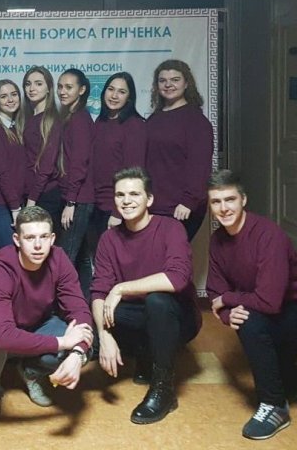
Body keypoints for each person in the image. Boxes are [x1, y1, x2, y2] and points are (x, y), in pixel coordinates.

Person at [206, 169, 297, 440]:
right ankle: (279, 391)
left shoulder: (268, 235)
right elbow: (215, 292)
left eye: (230, 199)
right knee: (282, 381)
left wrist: (229, 300)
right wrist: (227, 313)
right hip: (279, 309)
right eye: (216, 202)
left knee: (251, 320)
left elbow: (267, 301)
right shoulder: (217, 241)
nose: (223, 208)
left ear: (243, 200)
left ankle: (275, 407)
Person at [0, 205, 93, 434]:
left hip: (38, 326)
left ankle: (30, 372)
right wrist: (62, 342)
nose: (38, 245)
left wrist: (77, 353)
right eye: (29, 238)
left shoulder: (59, 259)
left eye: (44, 237)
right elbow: (4, 336)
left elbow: (80, 310)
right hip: (0, 335)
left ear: (52, 238)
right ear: (17, 240)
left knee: (82, 342)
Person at [91, 167, 201, 424]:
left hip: (178, 317)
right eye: (120, 195)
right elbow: (98, 290)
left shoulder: (171, 228)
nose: (126, 201)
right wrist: (104, 336)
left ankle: (164, 390)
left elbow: (177, 278)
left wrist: (120, 288)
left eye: (134, 194)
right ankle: (145, 353)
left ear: (149, 199)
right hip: (138, 315)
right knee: (104, 308)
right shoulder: (109, 238)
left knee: (156, 301)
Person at [145, 59, 213, 241]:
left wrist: (188, 201)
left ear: (186, 83)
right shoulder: (154, 119)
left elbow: (200, 166)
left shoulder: (196, 122)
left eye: (175, 80)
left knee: (173, 255)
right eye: (163, 80)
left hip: (181, 207)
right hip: (154, 204)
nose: (168, 85)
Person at [92, 72, 146, 236]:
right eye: (111, 89)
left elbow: (134, 173)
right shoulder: (100, 121)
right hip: (96, 204)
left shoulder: (134, 125)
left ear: (129, 98)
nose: (114, 96)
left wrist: (118, 211)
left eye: (121, 92)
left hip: (116, 206)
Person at [57, 68, 94, 299]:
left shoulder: (80, 119)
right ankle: (85, 304)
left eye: (68, 87)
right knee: (81, 257)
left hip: (79, 199)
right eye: (60, 86)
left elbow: (80, 164)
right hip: (76, 197)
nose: (62, 91)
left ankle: (66, 309)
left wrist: (71, 202)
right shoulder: (71, 117)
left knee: (66, 257)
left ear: (81, 90)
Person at [0, 79, 26, 250]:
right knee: (10, 253)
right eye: (3, 96)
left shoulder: (16, 128)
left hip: (15, 203)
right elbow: (0, 171)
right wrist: (15, 207)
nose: (10, 99)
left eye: (14, 94)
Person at [22, 66, 63, 228]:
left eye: (38, 84)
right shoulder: (28, 119)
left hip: (45, 195)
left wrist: (32, 200)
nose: (32, 88)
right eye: (28, 84)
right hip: (31, 193)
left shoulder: (51, 120)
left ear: (48, 89)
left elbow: (47, 164)